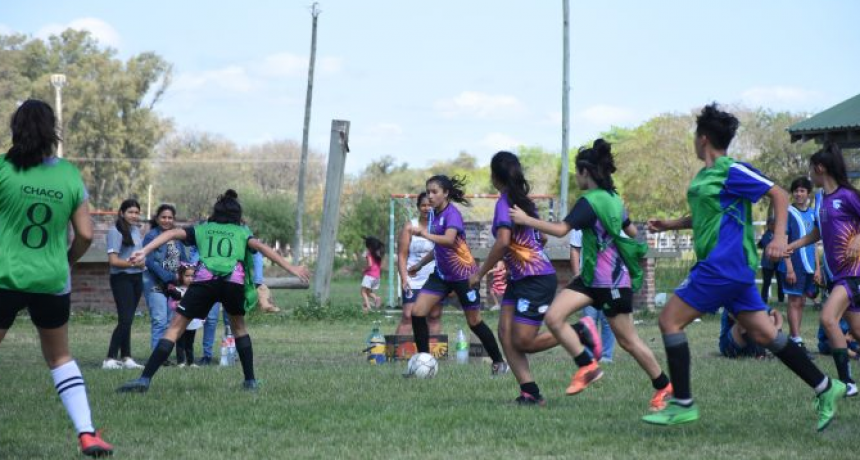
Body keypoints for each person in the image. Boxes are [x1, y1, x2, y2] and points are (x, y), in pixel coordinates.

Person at [643, 104, 843, 431]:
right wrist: (670, 224)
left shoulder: (731, 169)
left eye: (695, 136)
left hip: (724, 266)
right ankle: (825, 386)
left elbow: (777, 193)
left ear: (703, 138)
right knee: (767, 334)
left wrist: (779, 237)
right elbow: (707, 216)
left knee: (668, 320)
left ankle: (682, 403)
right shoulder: (706, 176)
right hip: (729, 271)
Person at [510, 139, 672, 411]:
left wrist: (526, 220)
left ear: (587, 172)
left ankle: (663, 385)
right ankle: (587, 366)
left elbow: (561, 230)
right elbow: (631, 233)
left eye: (577, 171)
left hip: (611, 282)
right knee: (553, 317)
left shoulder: (589, 202)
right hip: (590, 278)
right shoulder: (614, 199)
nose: (575, 177)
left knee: (628, 341)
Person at [0, 99, 113, 456]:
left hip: (5, 276)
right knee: (60, 357)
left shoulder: (4, 170)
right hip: (51, 280)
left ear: (16, 130)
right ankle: (87, 433)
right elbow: (84, 234)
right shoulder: (68, 175)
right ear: (53, 132)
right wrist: (65, 262)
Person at [117, 189, 310, 392]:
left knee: (174, 328)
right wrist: (292, 268)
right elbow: (261, 247)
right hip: (232, 283)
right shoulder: (242, 231)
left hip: (204, 282)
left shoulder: (203, 228)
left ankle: (144, 380)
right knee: (239, 328)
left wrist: (144, 250)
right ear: (237, 214)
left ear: (215, 212)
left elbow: (172, 233)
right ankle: (250, 381)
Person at [468, 151, 566, 405]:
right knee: (504, 332)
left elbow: (502, 242)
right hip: (521, 278)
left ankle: (580, 333)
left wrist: (480, 273)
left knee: (524, 341)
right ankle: (530, 391)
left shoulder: (504, 203)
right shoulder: (523, 201)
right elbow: (542, 237)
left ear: (494, 177)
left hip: (535, 279)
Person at [405, 174, 508, 376]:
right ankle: (424, 364)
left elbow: (449, 240)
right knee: (417, 312)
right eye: (428, 192)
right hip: (442, 275)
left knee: (474, 322)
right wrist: (419, 264)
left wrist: (424, 234)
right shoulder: (434, 214)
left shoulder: (453, 214)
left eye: (434, 192)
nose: (430, 196)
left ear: (446, 193)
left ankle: (499, 362)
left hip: (464, 276)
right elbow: (439, 247)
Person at [785, 141, 860, 398]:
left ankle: (847, 383)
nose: (810, 175)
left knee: (828, 319)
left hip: (853, 274)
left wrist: (858, 240)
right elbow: (818, 231)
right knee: (858, 331)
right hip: (836, 275)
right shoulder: (821, 200)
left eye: (811, 170)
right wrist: (792, 245)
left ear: (820, 168)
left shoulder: (847, 196)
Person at [103, 198, 146, 370]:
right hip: (122, 279)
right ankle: (109, 359)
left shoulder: (135, 230)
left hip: (137, 278)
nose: (134, 215)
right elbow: (113, 261)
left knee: (127, 320)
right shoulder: (115, 232)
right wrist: (135, 264)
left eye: (136, 212)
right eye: (130, 212)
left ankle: (126, 357)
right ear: (122, 213)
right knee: (125, 319)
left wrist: (141, 263)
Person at [778, 177, 819, 354]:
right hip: (793, 266)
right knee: (794, 301)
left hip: (809, 267)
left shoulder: (813, 214)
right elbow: (784, 242)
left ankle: (797, 338)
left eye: (802, 190)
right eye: (796, 190)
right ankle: (795, 340)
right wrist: (789, 268)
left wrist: (817, 268)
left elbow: (815, 243)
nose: (799, 194)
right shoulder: (788, 213)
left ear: (808, 193)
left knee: (801, 302)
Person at [142, 203, 188, 358]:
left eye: (170, 217)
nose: (166, 220)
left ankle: (164, 356)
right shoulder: (151, 235)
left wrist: (183, 277)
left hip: (173, 286)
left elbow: (184, 259)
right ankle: (156, 358)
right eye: (163, 217)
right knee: (160, 320)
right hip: (155, 283)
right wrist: (169, 277)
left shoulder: (177, 236)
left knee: (170, 322)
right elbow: (149, 261)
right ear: (157, 218)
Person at [395, 192, 443, 335]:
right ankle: (397, 352)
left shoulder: (440, 227)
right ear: (418, 207)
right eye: (423, 205)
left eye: (430, 205)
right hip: (413, 278)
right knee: (408, 316)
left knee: (433, 316)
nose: (427, 208)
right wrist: (404, 279)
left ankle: (431, 354)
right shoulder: (410, 227)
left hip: (435, 278)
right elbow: (402, 255)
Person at [571, 229, 616, 362]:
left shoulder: (612, 219)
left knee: (608, 320)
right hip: (588, 280)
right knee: (589, 319)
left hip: (610, 279)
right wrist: (577, 275)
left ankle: (607, 357)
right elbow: (575, 250)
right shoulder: (580, 224)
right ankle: (590, 356)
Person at [167, 265, 202, 367]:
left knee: (190, 343)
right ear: (181, 276)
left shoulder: (196, 289)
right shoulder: (177, 290)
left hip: (193, 321)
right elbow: (171, 303)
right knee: (180, 342)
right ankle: (181, 362)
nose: (190, 278)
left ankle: (191, 362)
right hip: (180, 321)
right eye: (187, 276)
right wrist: (176, 305)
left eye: (192, 276)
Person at [758, 218, 785, 304]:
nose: (773, 226)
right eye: (771, 224)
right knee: (767, 282)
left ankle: (781, 299)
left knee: (780, 282)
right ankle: (764, 300)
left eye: (774, 224)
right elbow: (763, 245)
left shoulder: (780, 235)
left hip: (779, 262)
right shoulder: (766, 235)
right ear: (768, 226)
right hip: (767, 263)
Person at [361, 236, 384, 313]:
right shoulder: (378, 255)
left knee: (363, 292)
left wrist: (364, 269)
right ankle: (376, 298)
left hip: (370, 275)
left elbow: (370, 265)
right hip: (377, 276)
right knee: (368, 292)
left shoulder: (369, 253)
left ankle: (368, 307)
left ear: (369, 246)